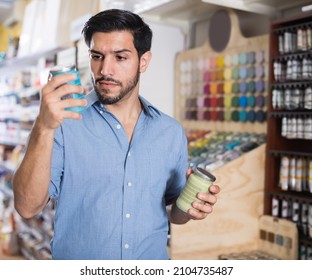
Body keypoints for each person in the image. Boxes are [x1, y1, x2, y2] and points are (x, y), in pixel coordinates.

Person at [12, 9, 220, 260]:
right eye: (97, 56)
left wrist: (191, 207)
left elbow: (173, 212)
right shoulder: (64, 123)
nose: (105, 70)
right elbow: (26, 207)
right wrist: (43, 127)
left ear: (143, 61)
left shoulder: (170, 132)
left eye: (120, 57)